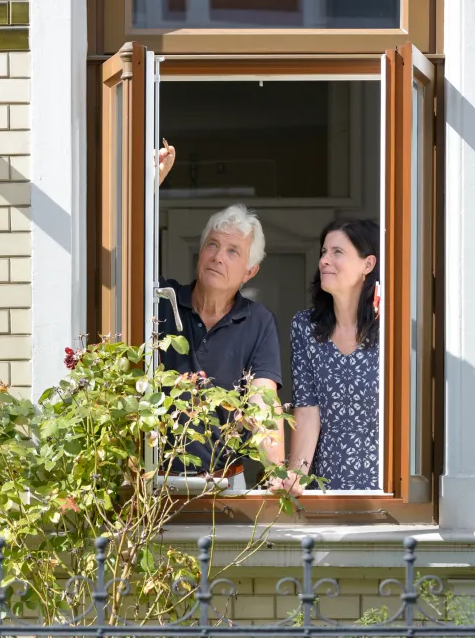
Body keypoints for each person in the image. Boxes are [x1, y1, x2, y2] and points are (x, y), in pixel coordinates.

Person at [155, 203, 285, 476]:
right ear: (200, 253)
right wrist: (152, 181)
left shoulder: (258, 322)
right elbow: (130, 254)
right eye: (212, 245)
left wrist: (277, 475)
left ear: (250, 272)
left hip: (224, 483)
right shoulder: (162, 301)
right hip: (153, 482)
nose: (218, 257)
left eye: (232, 251)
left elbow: (264, 400)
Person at [286, 219, 382, 491]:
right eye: (323, 252)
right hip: (327, 491)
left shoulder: (394, 331)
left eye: (337, 252)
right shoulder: (305, 327)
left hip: (386, 493)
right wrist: (295, 479)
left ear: (368, 264)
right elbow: (306, 411)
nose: (324, 260)